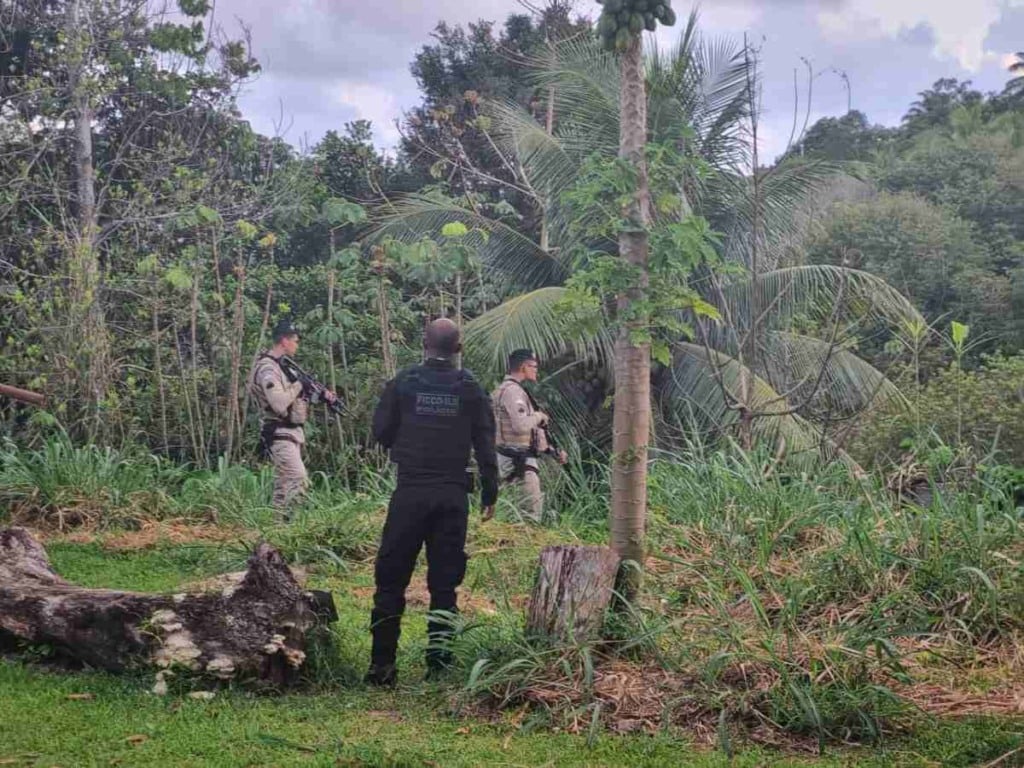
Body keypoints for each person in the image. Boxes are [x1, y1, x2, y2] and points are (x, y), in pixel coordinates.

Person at [366, 318, 498, 687]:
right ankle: (439, 667)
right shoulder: (470, 388)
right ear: (459, 349)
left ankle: (382, 667)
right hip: (453, 496)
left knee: (390, 580)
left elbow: (381, 431)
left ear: (424, 344)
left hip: (409, 493)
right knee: (444, 585)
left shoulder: (404, 383)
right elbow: (486, 445)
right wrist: (491, 492)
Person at [249, 318, 336, 515]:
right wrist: (299, 384)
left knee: (283, 489)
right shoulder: (268, 368)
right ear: (284, 341)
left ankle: (274, 535)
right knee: (297, 478)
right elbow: (279, 403)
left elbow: (297, 398)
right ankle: (290, 527)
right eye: (295, 340)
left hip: (291, 432)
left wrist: (320, 395)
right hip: (279, 432)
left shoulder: (284, 367)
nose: (297, 344)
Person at [493, 349, 567, 524]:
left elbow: (528, 434)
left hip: (515, 458)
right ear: (524, 367)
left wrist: (552, 451)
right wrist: (539, 417)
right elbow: (521, 426)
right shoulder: (513, 392)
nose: (536, 370)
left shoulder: (509, 390)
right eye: (533, 366)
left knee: (517, 516)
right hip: (517, 462)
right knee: (530, 515)